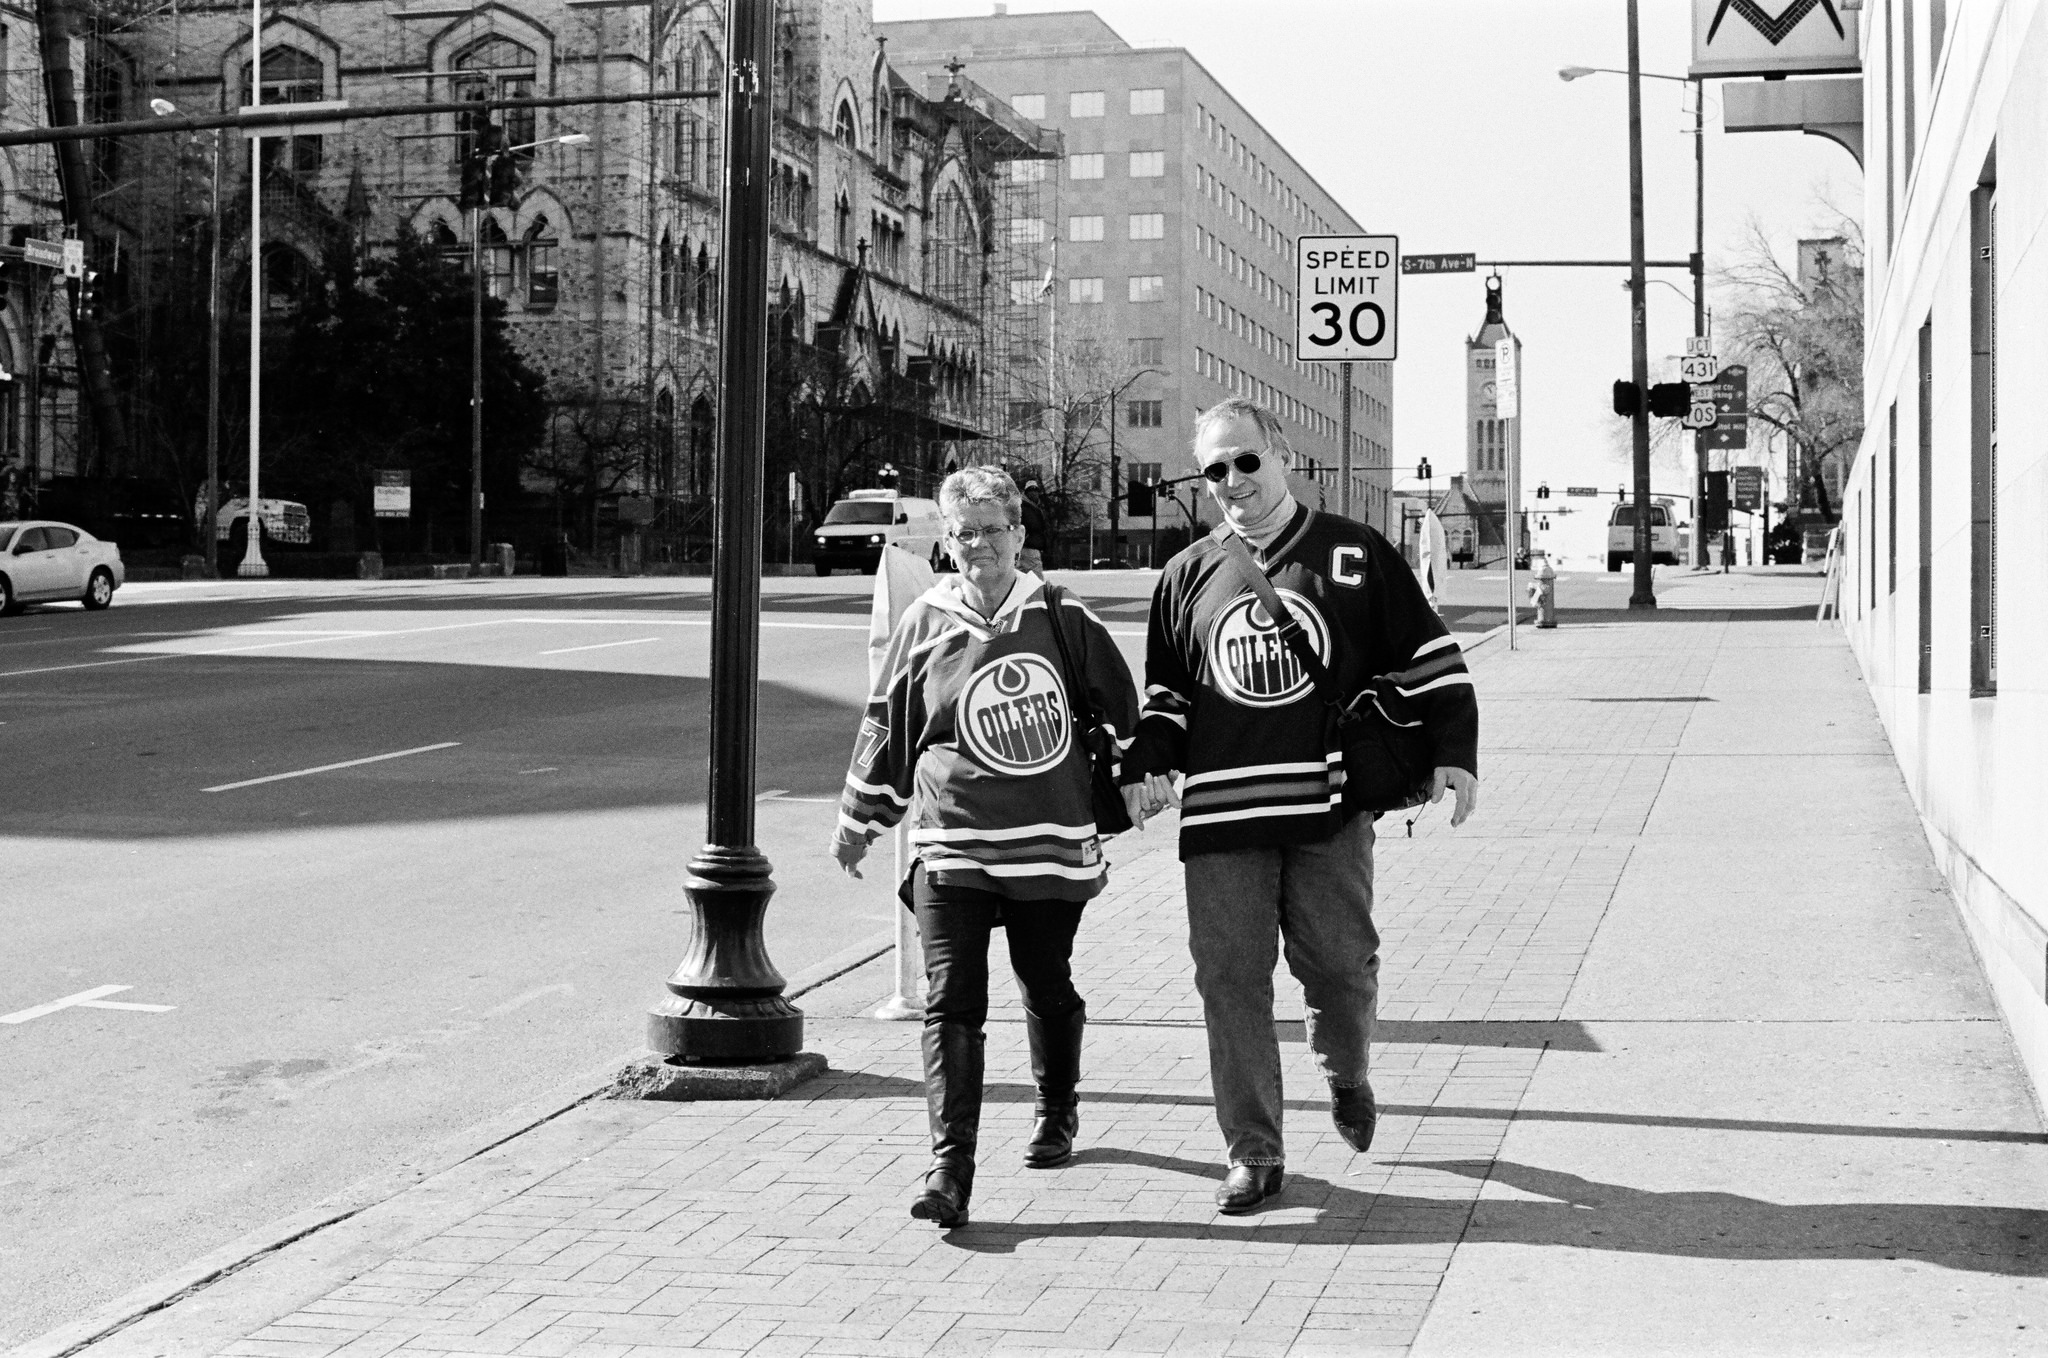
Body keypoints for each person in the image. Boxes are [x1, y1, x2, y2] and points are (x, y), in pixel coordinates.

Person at [1120, 397, 1480, 1215]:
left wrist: (1455, 754)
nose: (1234, 480)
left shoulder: (1354, 553)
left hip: (1330, 808)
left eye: (1247, 460)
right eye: (1215, 469)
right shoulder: (1186, 576)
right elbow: (1168, 697)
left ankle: (1346, 1069)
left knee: (1340, 971)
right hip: (1221, 818)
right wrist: (1147, 763)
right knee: (1230, 982)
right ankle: (1255, 1149)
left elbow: (1434, 662)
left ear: (1281, 454)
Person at [832, 465, 1140, 1229]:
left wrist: (1144, 777)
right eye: (963, 533)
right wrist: (860, 816)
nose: (979, 546)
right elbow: (890, 722)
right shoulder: (927, 620)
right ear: (946, 539)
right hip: (952, 838)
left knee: (1045, 981)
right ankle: (950, 1169)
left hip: (1048, 839)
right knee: (951, 1002)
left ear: (1020, 535)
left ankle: (1056, 1107)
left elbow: (1125, 712)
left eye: (993, 530)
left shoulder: (1064, 617)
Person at [1018, 479, 1049, 575]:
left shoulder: (1032, 507)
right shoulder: (1027, 508)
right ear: (1026, 492)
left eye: (1035, 491)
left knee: (1023, 578)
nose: (1034, 493)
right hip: (1029, 548)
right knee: (1036, 581)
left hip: (1025, 547)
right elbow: (1035, 527)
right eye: (1031, 491)